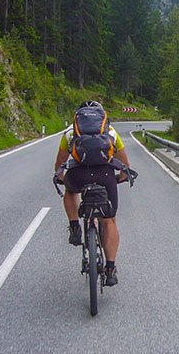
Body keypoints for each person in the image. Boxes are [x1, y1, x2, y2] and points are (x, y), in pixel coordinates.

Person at [54, 101, 130, 287]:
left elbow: (61, 161)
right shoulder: (110, 131)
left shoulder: (71, 131)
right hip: (105, 175)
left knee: (70, 190)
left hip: (78, 174)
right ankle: (110, 269)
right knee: (109, 221)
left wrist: (61, 178)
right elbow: (124, 163)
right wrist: (121, 177)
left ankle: (74, 227)